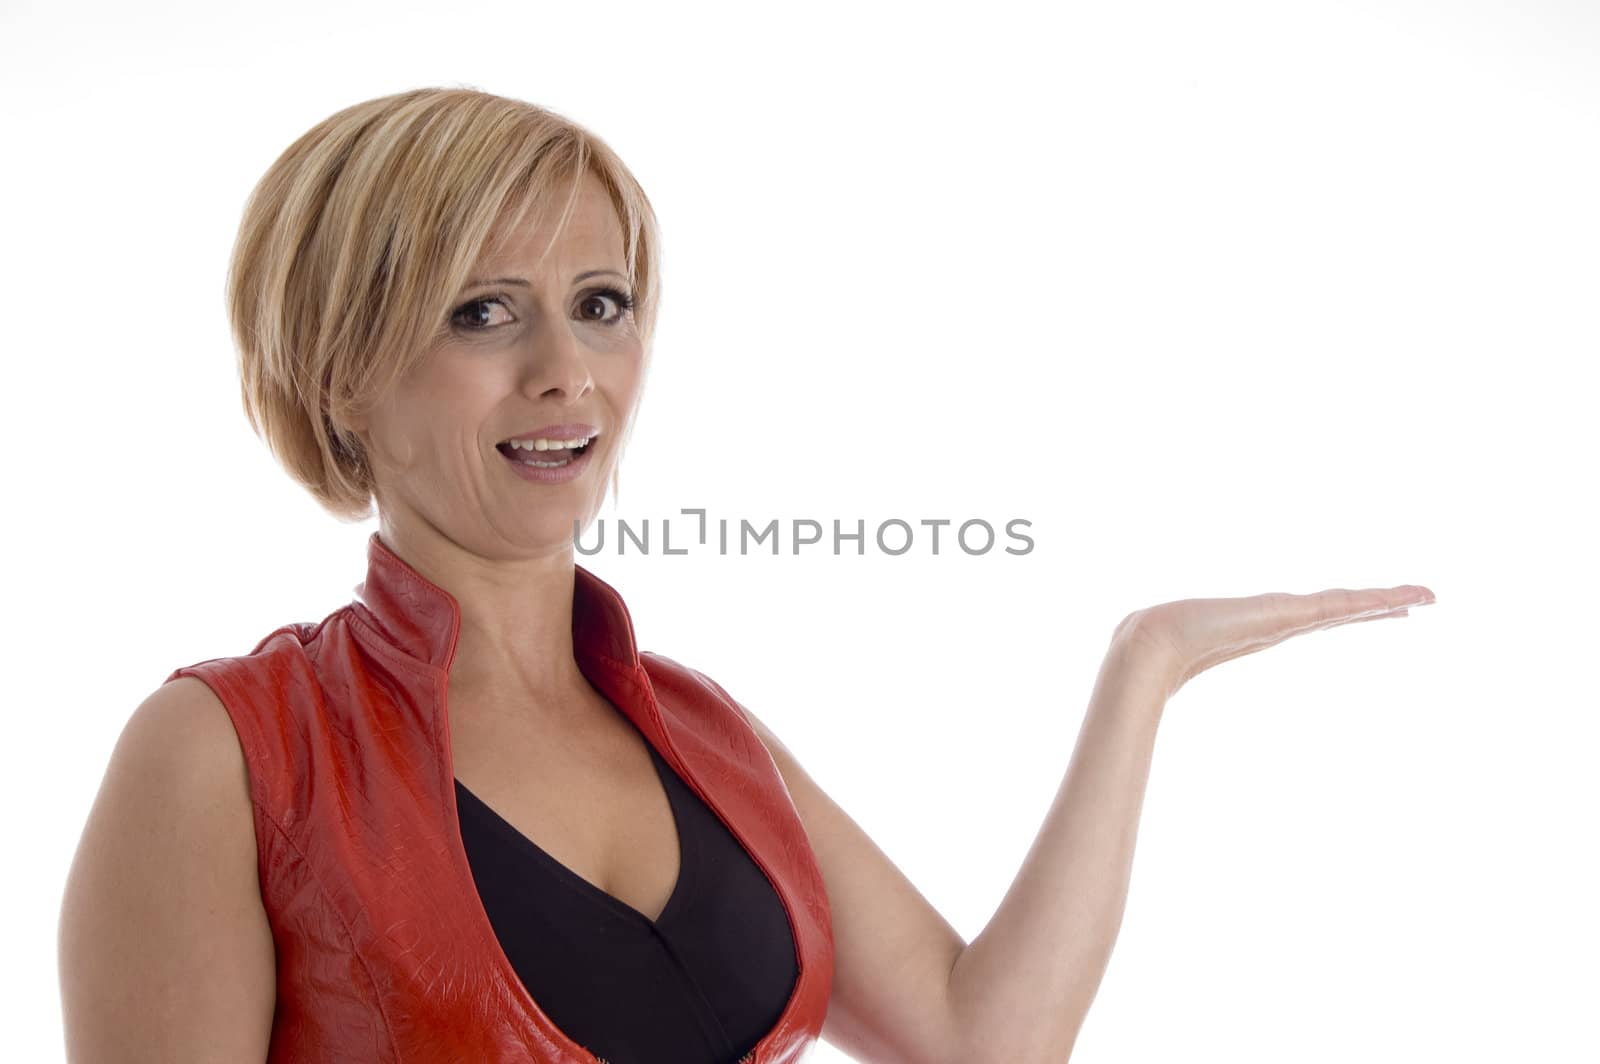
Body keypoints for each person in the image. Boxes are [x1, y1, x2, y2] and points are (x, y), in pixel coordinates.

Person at [57, 87, 1436, 1064]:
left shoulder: (703, 732)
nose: (568, 371)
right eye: (485, 312)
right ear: (342, 369)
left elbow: (983, 1041)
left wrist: (1143, 670)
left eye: (602, 304)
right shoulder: (229, 753)